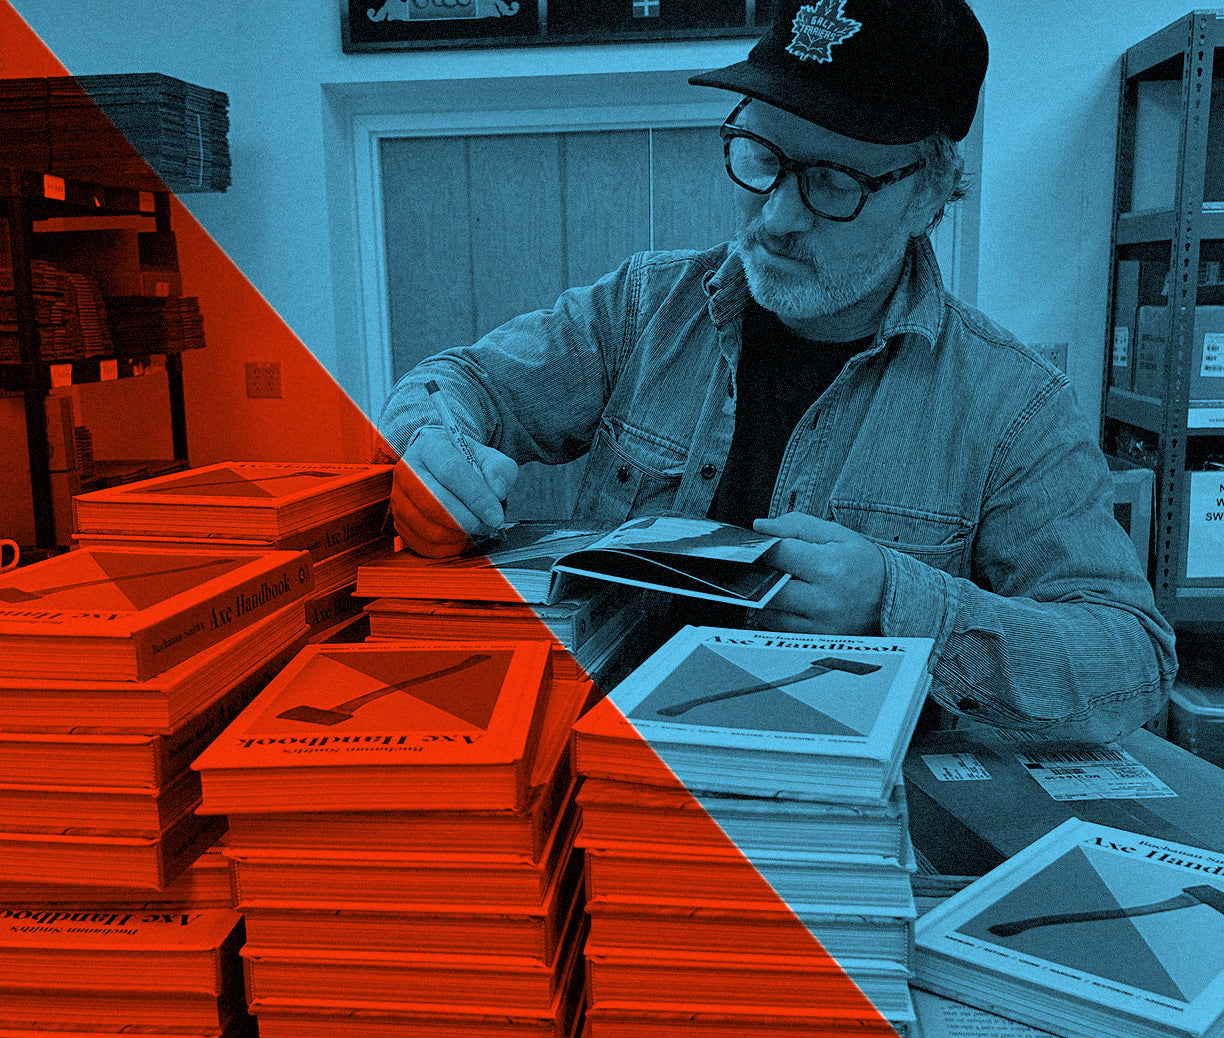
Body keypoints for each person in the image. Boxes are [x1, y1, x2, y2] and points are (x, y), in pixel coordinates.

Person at [381, 0, 1176, 742]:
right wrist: (432, 448)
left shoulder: (1014, 405)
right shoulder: (641, 309)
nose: (777, 216)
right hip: (606, 788)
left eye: (832, 183)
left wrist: (896, 602)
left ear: (931, 193)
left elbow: (1130, 661)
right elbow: (462, 383)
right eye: (760, 155)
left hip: (835, 843)